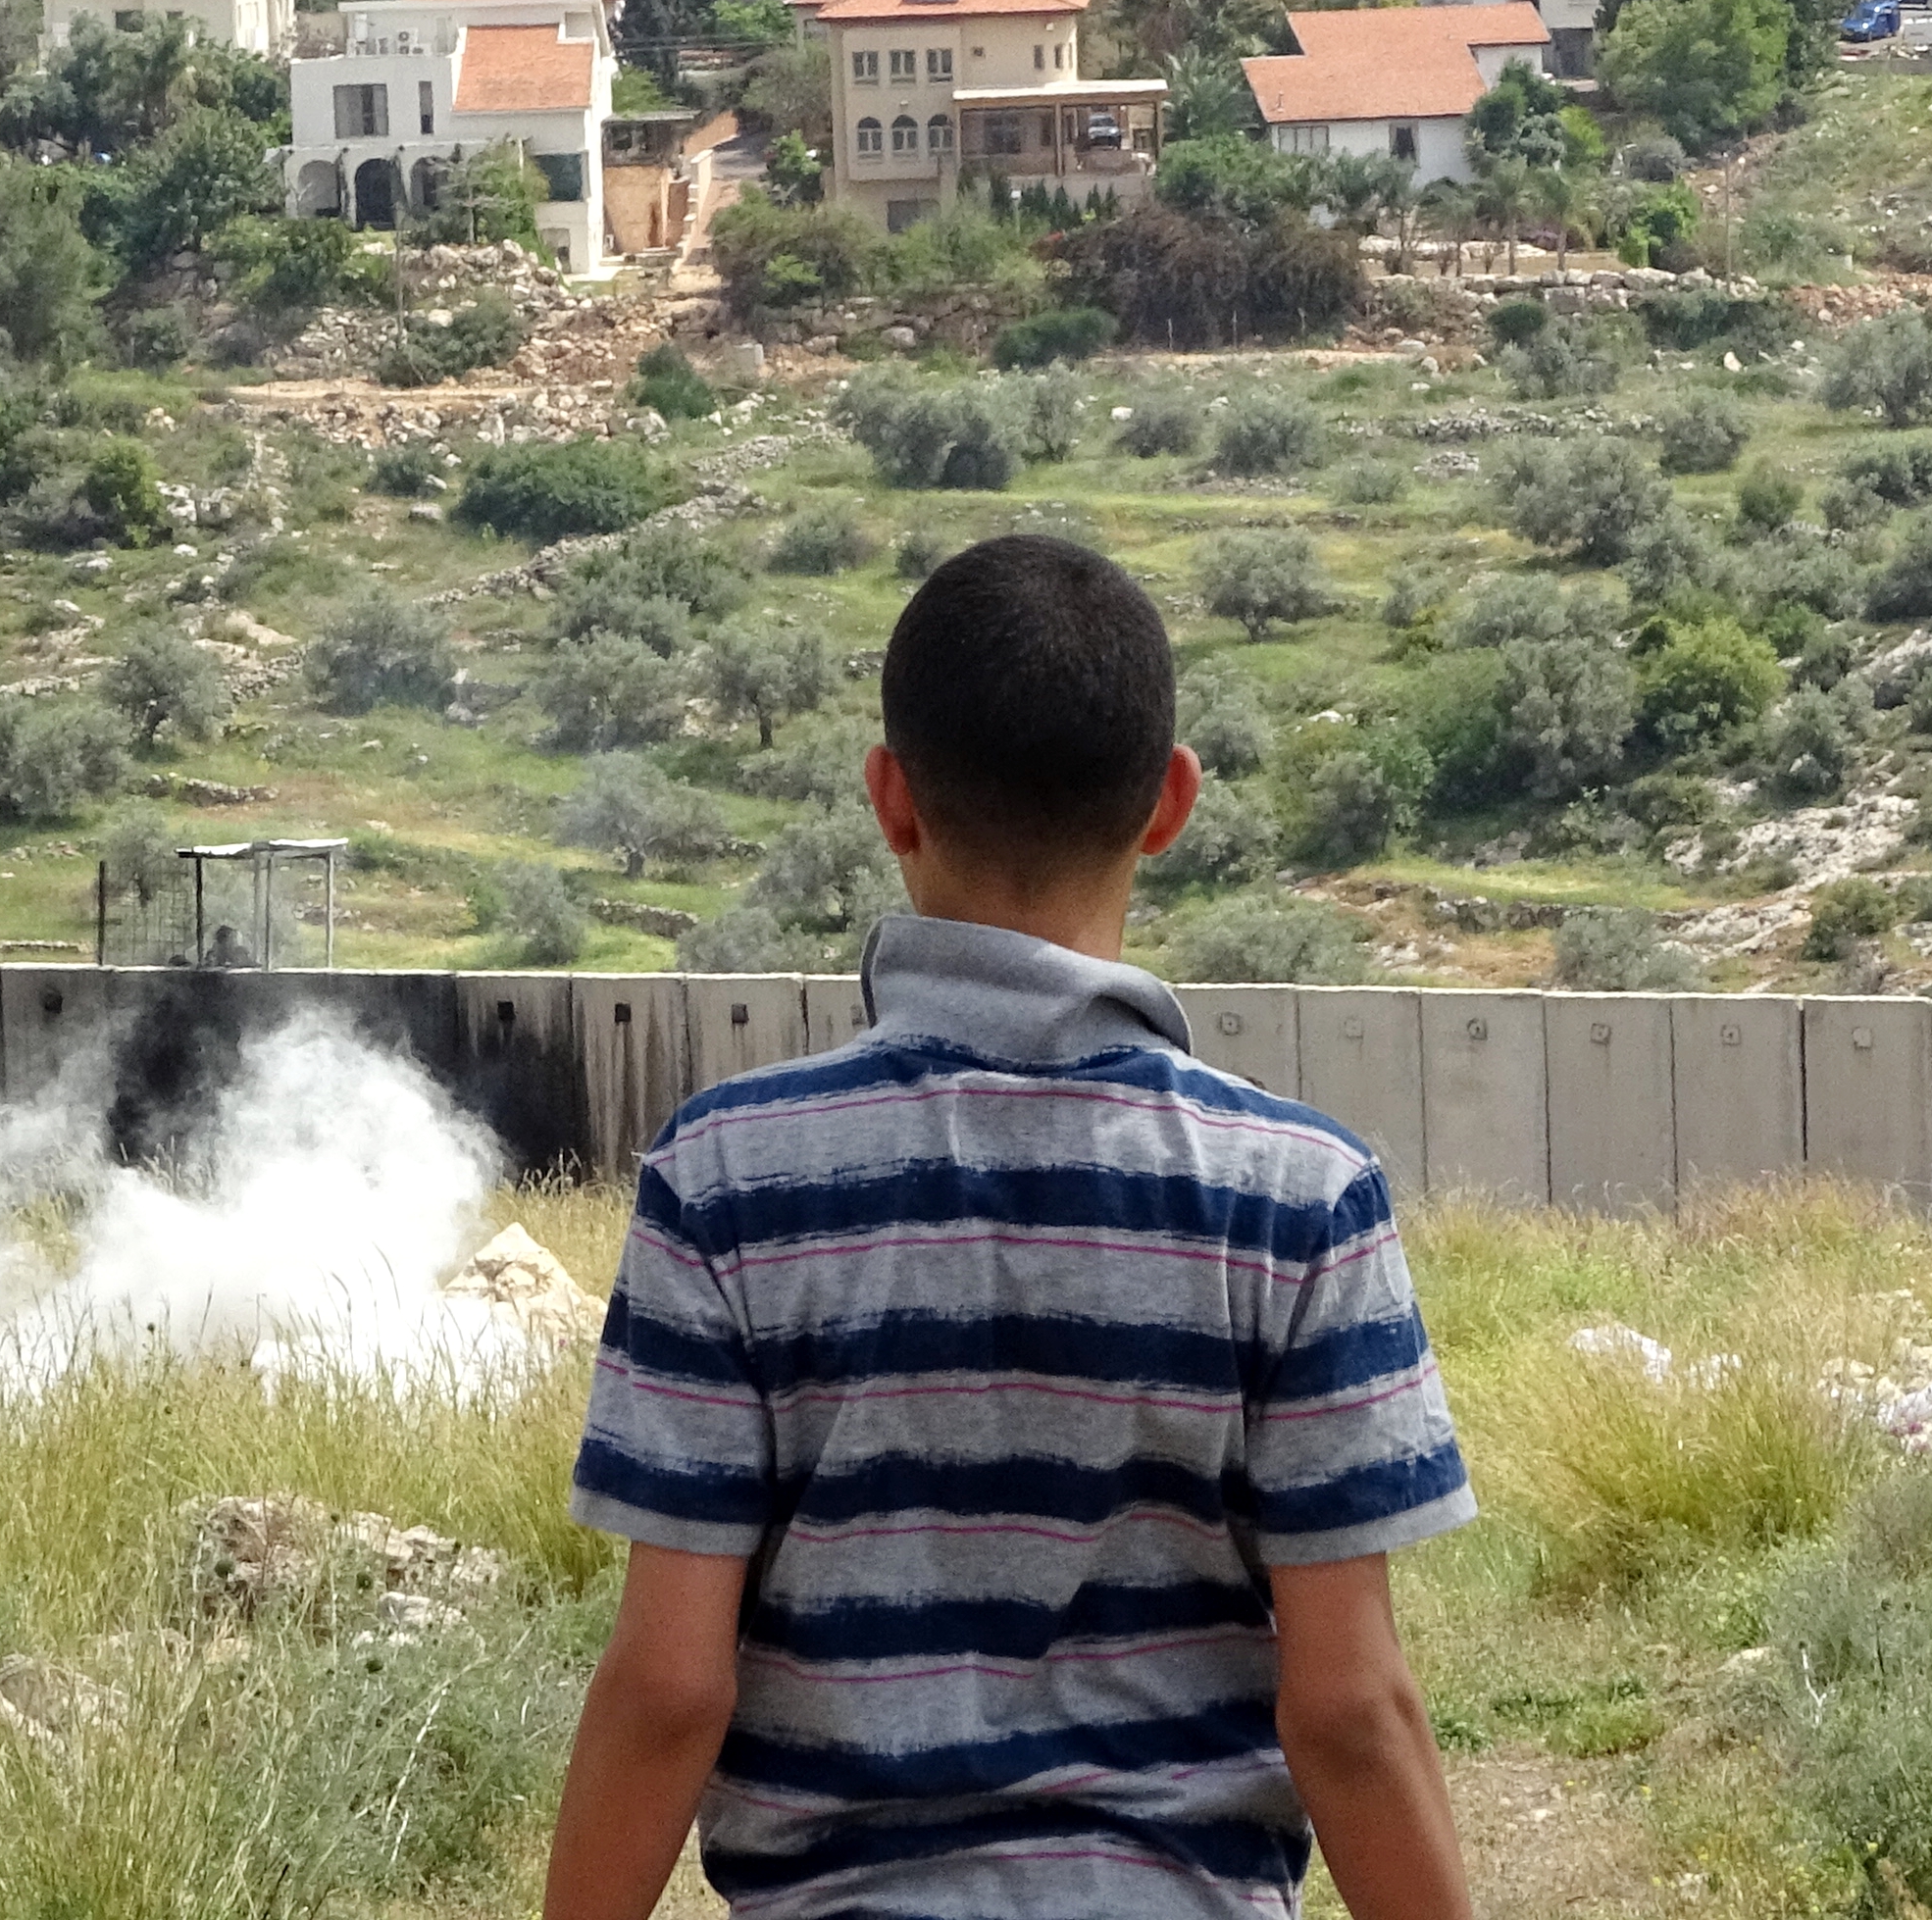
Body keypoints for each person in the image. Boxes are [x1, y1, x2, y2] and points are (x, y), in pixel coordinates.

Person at [544, 533, 1475, 1920]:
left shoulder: (726, 1177)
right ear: (1170, 804)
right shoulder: (1300, 1195)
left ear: (889, 799)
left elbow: (671, 1684)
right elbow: (1347, 1710)